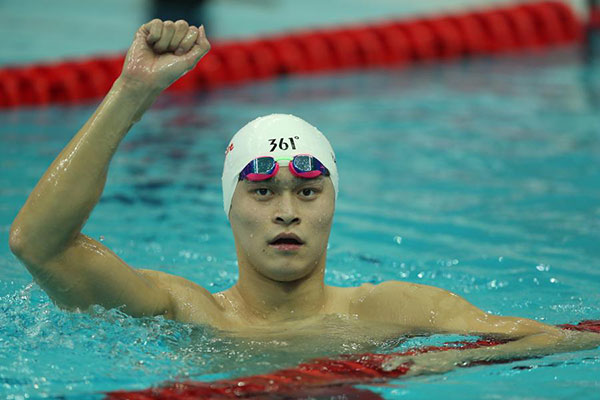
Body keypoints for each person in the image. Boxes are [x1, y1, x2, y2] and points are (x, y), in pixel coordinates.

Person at [9, 19, 599, 377]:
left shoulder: (390, 311)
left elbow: (561, 337)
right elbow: (38, 244)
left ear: (332, 204)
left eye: (308, 191)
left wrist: (450, 358)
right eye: (262, 191)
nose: (287, 209)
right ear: (230, 209)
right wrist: (133, 89)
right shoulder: (186, 314)